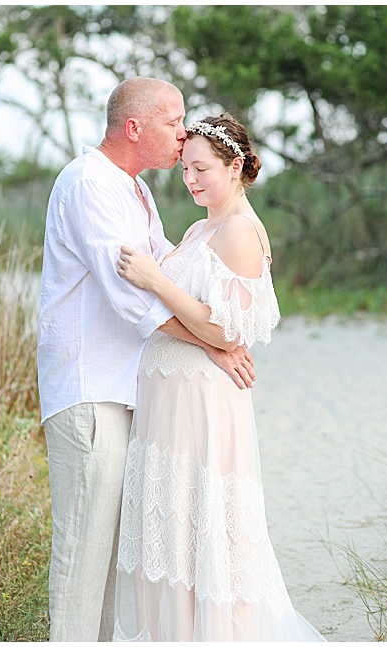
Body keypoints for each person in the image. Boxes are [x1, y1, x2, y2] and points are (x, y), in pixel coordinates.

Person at [37, 77, 255, 642]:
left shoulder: (135, 189)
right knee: (84, 552)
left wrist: (225, 316)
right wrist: (214, 343)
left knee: (110, 554)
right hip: (90, 392)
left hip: (126, 390)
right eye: (171, 121)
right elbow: (135, 299)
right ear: (134, 128)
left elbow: (167, 268)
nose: (182, 135)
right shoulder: (89, 183)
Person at [113, 114, 325, 641]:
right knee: (168, 531)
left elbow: (228, 334)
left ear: (236, 168)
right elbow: (209, 327)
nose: (190, 180)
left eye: (202, 168)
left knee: (201, 527)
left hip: (200, 405)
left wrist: (156, 279)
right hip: (168, 402)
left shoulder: (241, 232)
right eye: (185, 169)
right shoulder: (197, 227)